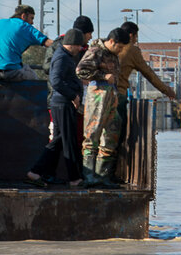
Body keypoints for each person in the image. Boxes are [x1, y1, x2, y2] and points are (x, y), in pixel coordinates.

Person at [25, 28, 88, 188]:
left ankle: (36, 172)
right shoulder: (62, 58)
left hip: (61, 102)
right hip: (63, 103)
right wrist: (73, 96)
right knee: (68, 140)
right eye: (79, 45)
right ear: (73, 44)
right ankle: (74, 178)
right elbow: (56, 80)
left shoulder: (63, 56)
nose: (81, 49)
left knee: (60, 139)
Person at [76, 28, 131, 188]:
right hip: (98, 95)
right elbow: (81, 71)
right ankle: (89, 177)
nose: (120, 50)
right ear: (112, 41)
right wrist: (102, 76)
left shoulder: (112, 54)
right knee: (92, 134)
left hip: (111, 96)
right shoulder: (96, 51)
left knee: (110, 135)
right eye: (119, 47)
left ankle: (102, 177)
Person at [115, 21, 177, 154]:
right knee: (119, 133)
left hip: (99, 94)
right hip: (118, 95)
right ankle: (112, 169)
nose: (136, 40)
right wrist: (167, 90)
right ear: (131, 35)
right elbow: (149, 74)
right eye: (136, 37)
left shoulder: (108, 45)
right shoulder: (131, 50)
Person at [0, 4, 53, 81]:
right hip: (11, 72)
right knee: (34, 78)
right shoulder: (26, 27)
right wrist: (64, 42)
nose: (32, 22)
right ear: (23, 16)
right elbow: (49, 43)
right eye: (31, 18)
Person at [43, 15, 94, 105]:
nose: (91, 37)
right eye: (89, 33)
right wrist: (73, 74)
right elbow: (47, 67)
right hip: (60, 97)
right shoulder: (58, 46)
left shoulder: (85, 49)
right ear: (82, 34)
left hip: (77, 98)